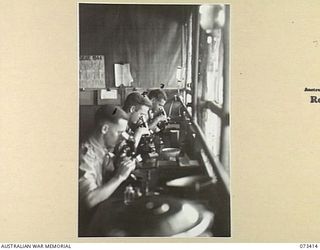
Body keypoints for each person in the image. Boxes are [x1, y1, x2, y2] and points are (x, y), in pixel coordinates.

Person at [78, 105, 136, 235]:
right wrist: (119, 177)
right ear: (104, 129)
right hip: (85, 224)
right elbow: (89, 199)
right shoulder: (84, 154)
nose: (122, 138)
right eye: (119, 133)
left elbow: (107, 165)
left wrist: (120, 161)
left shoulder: (100, 147)